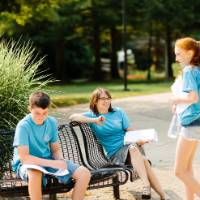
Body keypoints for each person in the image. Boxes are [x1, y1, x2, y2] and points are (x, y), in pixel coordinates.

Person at [69, 88, 167, 200]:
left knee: (140, 156)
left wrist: (141, 139)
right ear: (95, 101)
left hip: (130, 149)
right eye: (102, 98)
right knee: (138, 153)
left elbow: (130, 130)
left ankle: (159, 194)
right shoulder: (92, 116)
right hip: (115, 154)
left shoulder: (118, 112)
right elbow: (72, 117)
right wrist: (95, 120)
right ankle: (147, 186)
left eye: (108, 98)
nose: (106, 101)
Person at [12, 92, 90, 200]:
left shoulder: (51, 122)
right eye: (37, 113)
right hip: (27, 164)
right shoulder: (23, 126)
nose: (41, 117)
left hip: (47, 160)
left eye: (45, 113)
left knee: (84, 174)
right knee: (35, 173)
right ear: (30, 109)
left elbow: (56, 149)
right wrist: (53, 163)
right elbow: (25, 158)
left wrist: (60, 160)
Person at [171, 37, 200, 200]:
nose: (176, 58)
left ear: (190, 52)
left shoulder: (189, 70)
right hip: (197, 121)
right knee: (187, 168)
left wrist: (175, 100)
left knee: (179, 171)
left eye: (179, 54)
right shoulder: (197, 69)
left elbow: (193, 97)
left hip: (192, 122)